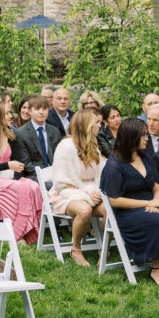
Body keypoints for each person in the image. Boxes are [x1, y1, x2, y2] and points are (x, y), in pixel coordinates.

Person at [99, 117, 159, 285]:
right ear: (131, 137)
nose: (147, 138)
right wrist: (147, 204)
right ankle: (157, 269)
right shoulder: (114, 165)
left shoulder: (148, 159)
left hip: (153, 206)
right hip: (128, 212)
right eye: (143, 135)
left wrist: (156, 201)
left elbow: (158, 187)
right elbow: (114, 200)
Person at [0, 103, 43, 243]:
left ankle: (28, 230)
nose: (11, 116)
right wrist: (7, 165)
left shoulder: (10, 135)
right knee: (20, 188)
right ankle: (17, 233)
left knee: (33, 186)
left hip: (8, 179)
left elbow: (17, 162)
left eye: (10, 113)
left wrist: (16, 171)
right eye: (7, 113)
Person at [49, 109, 107, 266]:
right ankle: (76, 249)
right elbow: (61, 181)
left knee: (110, 210)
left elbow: (100, 174)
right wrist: (86, 194)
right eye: (97, 123)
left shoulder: (93, 145)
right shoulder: (66, 146)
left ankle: (104, 247)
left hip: (92, 190)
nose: (100, 126)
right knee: (84, 210)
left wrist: (98, 191)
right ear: (86, 125)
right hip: (67, 192)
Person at [12, 95, 62, 177]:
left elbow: (59, 157)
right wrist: (45, 174)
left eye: (44, 109)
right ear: (30, 111)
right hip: (32, 175)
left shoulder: (55, 131)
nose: (41, 112)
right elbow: (26, 164)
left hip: (55, 173)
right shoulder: (20, 133)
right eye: (37, 109)